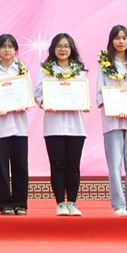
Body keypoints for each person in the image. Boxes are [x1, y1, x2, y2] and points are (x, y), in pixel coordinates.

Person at [35, 34, 89, 216]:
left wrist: (84, 102)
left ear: (71, 48)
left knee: (73, 165)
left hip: (76, 126)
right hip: (54, 126)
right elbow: (38, 94)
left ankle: (72, 203)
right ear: (53, 49)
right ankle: (60, 203)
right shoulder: (45, 70)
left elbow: (83, 93)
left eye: (66, 46)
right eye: (59, 46)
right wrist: (44, 102)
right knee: (57, 165)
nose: (63, 49)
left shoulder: (80, 71)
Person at [96, 26, 127, 217]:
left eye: (125, 38)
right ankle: (119, 205)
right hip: (112, 121)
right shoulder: (104, 65)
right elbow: (100, 93)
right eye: (117, 38)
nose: (121, 41)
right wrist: (114, 107)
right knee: (115, 163)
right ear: (111, 41)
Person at [0, 34, 31, 215]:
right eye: (3, 46)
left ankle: (20, 203)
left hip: (19, 126)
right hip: (0, 125)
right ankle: (4, 204)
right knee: (1, 167)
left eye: (11, 46)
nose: (7, 50)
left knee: (21, 165)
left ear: (16, 50)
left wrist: (23, 105)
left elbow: (29, 97)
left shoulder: (22, 70)